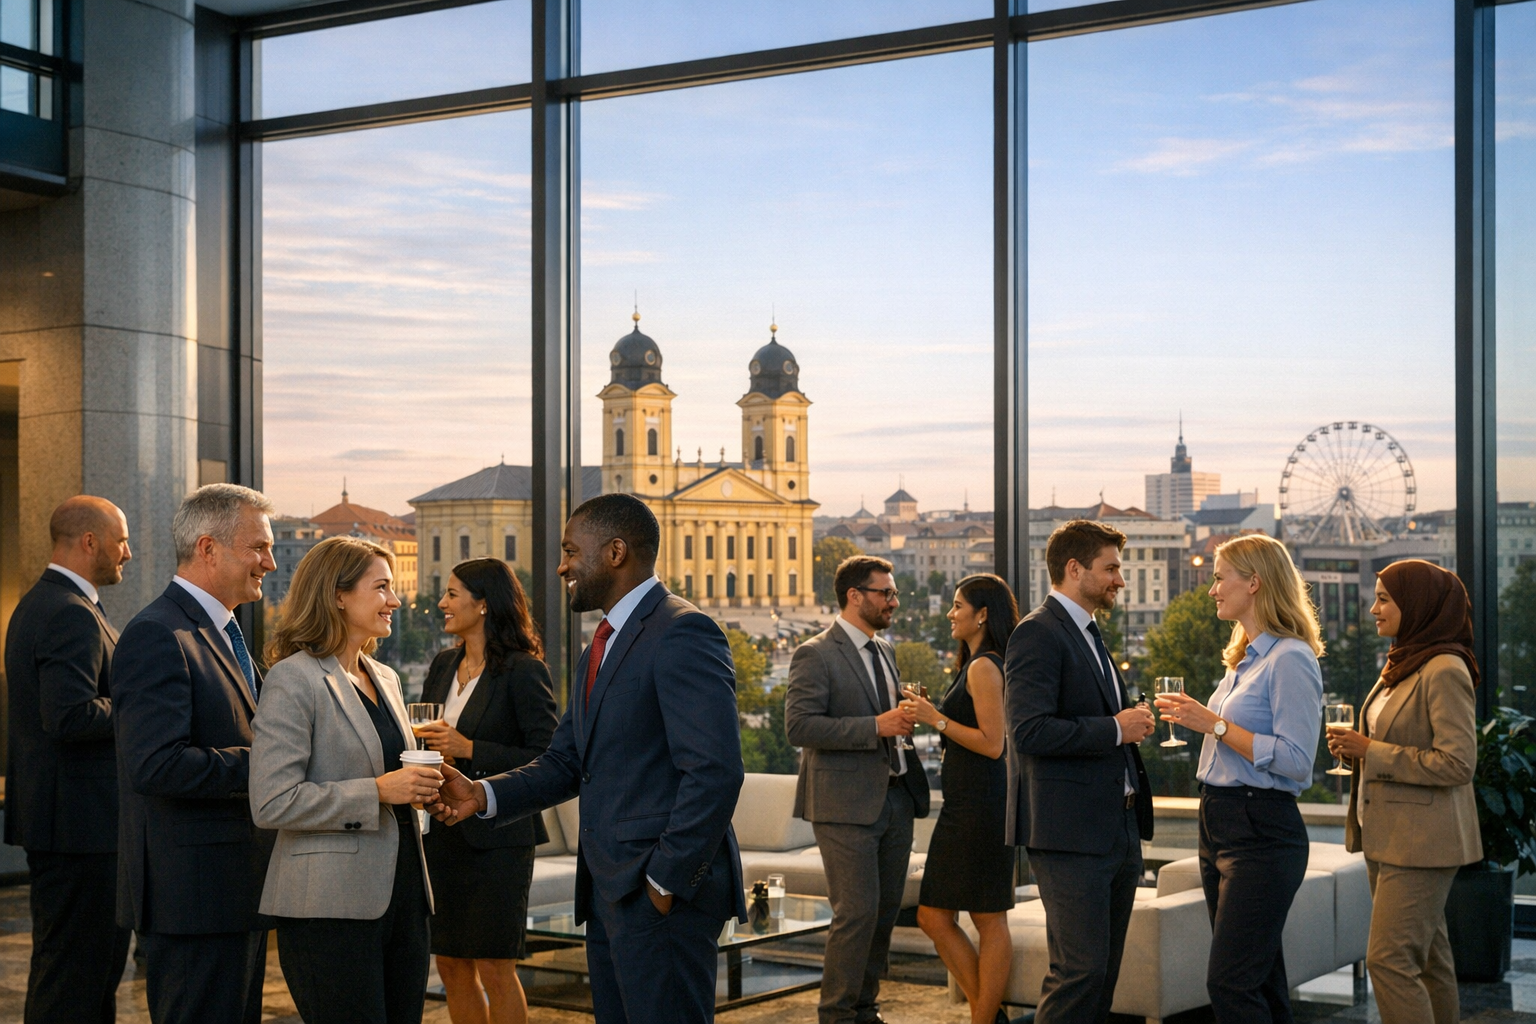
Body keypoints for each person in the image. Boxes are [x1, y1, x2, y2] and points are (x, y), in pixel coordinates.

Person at [431, 493, 745, 1024]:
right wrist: (482, 794)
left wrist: (663, 882)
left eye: (571, 551)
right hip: (609, 893)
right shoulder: (599, 644)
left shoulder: (682, 630)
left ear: (616, 552)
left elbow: (715, 772)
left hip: (656, 895)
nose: (561, 566)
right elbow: (564, 762)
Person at [249, 535, 439, 1024]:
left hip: (403, 898)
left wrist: (428, 789)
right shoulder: (293, 679)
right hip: (328, 910)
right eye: (381, 587)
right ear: (337, 594)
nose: (395, 600)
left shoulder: (386, 677)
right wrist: (376, 792)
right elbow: (271, 802)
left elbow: (395, 774)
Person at [111, 483, 278, 1024]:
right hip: (193, 901)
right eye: (258, 547)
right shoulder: (158, 634)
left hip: (232, 893)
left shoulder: (222, 629)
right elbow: (156, 765)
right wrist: (272, 767)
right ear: (208, 549)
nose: (269, 562)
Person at [1155, 533, 1324, 1024]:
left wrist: (1215, 725)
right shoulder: (1245, 658)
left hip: (1261, 830)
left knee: (1229, 982)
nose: (1211, 590)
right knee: (1262, 980)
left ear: (1253, 582)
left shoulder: (1291, 657)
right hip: (1220, 822)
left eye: (1218, 577)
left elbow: (1297, 762)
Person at [1005, 519, 1155, 1024]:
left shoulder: (1087, 632)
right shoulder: (1038, 633)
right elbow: (1029, 732)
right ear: (1074, 569)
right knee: (1079, 973)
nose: (1119, 579)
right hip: (1070, 835)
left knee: (1103, 975)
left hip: (1116, 829)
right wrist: (1115, 728)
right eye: (1110, 568)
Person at [1326, 559, 1481, 1024]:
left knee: (1388, 962)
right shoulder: (1404, 661)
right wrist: (1361, 752)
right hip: (1391, 835)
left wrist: (1372, 751)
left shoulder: (1444, 669)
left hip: (1422, 842)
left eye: (1384, 599)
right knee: (1431, 961)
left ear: (1417, 605)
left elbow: (1457, 763)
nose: (1373, 609)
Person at [784, 554, 931, 1024]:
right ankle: (837, 1015)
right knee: (857, 915)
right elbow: (800, 727)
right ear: (854, 596)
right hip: (842, 805)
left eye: (894, 593)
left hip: (894, 798)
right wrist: (876, 725)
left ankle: (865, 1010)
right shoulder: (815, 653)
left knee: (884, 913)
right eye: (884, 593)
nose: (894, 601)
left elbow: (887, 725)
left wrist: (905, 720)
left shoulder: (884, 650)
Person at [5, 496, 133, 1024]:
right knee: (74, 981)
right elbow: (71, 716)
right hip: (81, 831)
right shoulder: (67, 612)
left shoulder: (50, 603)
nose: (128, 552)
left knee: (85, 975)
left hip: (74, 827)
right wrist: (142, 704)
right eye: (121, 540)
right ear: (89, 542)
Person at [417, 558, 558, 1024]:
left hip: (499, 841)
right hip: (442, 836)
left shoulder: (523, 671)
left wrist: (469, 748)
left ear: (483, 605)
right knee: (451, 964)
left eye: (453, 594)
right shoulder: (443, 664)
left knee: (496, 968)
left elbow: (548, 758)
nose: (442, 602)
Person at [904, 573, 1019, 1024]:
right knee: (940, 916)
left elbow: (994, 743)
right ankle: (989, 1016)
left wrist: (936, 719)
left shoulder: (985, 665)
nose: (950, 613)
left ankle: (984, 1017)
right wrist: (940, 714)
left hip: (980, 807)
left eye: (957, 606)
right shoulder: (976, 663)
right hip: (969, 805)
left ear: (982, 614)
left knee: (982, 917)